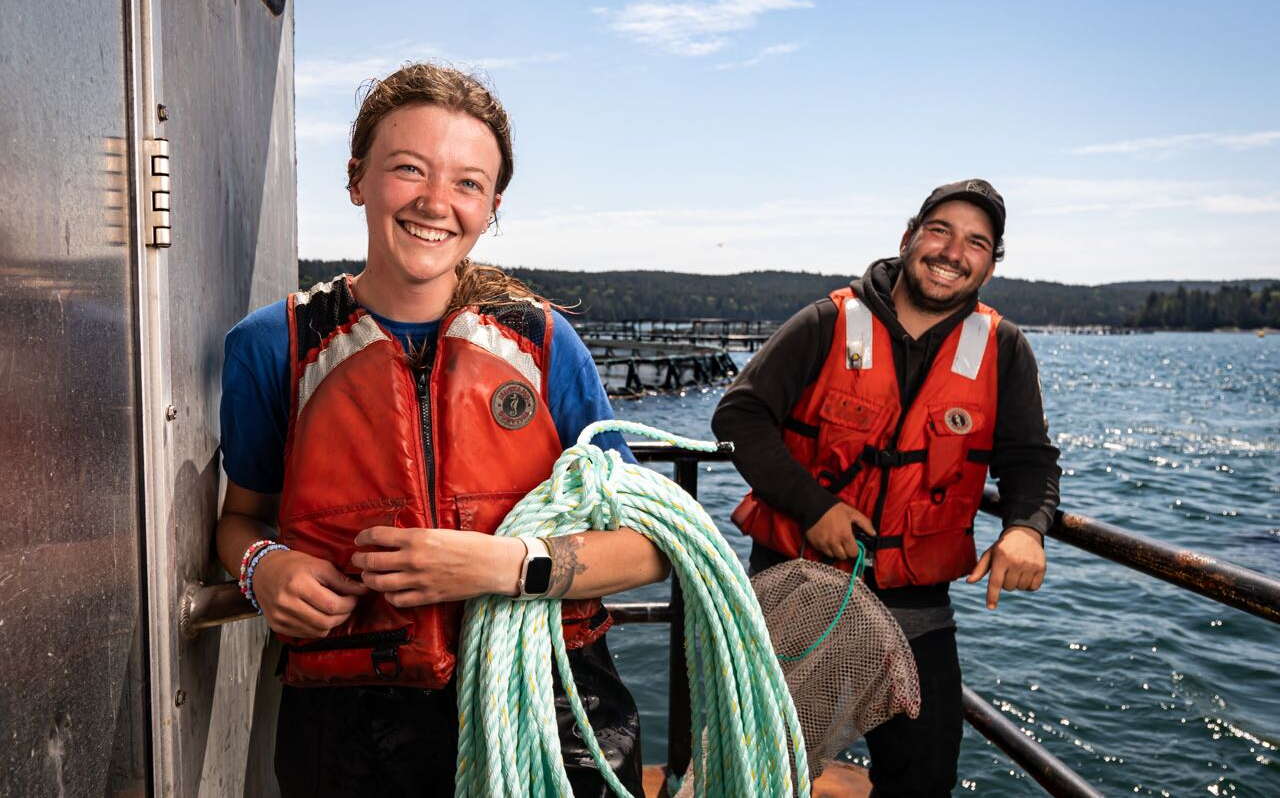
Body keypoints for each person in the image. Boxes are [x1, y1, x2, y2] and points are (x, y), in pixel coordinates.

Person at [215, 63, 660, 797]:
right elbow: (241, 519)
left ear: (491, 207)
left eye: (467, 183)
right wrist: (264, 567)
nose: (435, 202)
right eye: (408, 169)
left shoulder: (546, 346)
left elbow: (648, 549)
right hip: (350, 729)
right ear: (357, 178)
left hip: (551, 707)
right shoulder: (274, 346)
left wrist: (499, 566)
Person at [711, 179, 1061, 795]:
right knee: (765, 771)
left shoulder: (1002, 348)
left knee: (923, 779)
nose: (954, 251)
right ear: (908, 238)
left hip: (916, 606)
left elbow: (1030, 460)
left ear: (991, 263)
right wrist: (813, 507)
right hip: (799, 590)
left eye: (977, 242)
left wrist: (1026, 528)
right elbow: (737, 418)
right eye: (940, 231)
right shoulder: (826, 322)